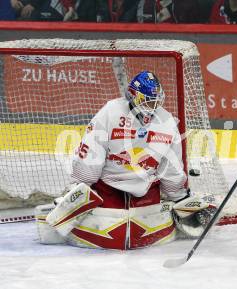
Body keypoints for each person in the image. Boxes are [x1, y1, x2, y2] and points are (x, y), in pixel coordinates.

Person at [36, 70, 216, 250]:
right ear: (132, 96)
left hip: (144, 191)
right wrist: (78, 187)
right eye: (146, 100)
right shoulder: (111, 112)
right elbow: (91, 150)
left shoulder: (167, 122)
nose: (151, 106)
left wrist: (178, 196)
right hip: (108, 186)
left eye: (155, 100)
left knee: (134, 225)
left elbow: (171, 167)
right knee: (103, 213)